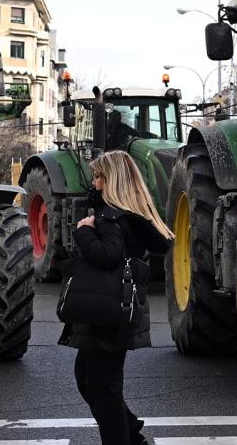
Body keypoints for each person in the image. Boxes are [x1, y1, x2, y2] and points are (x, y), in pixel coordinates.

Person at [60, 150, 173, 445]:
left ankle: (125, 439)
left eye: (99, 177)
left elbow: (106, 255)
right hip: (119, 307)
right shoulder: (133, 217)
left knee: (102, 387)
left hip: (105, 310)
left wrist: (84, 232)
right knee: (89, 378)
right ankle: (132, 435)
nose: (94, 184)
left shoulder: (110, 216)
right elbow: (156, 245)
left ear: (113, 181)